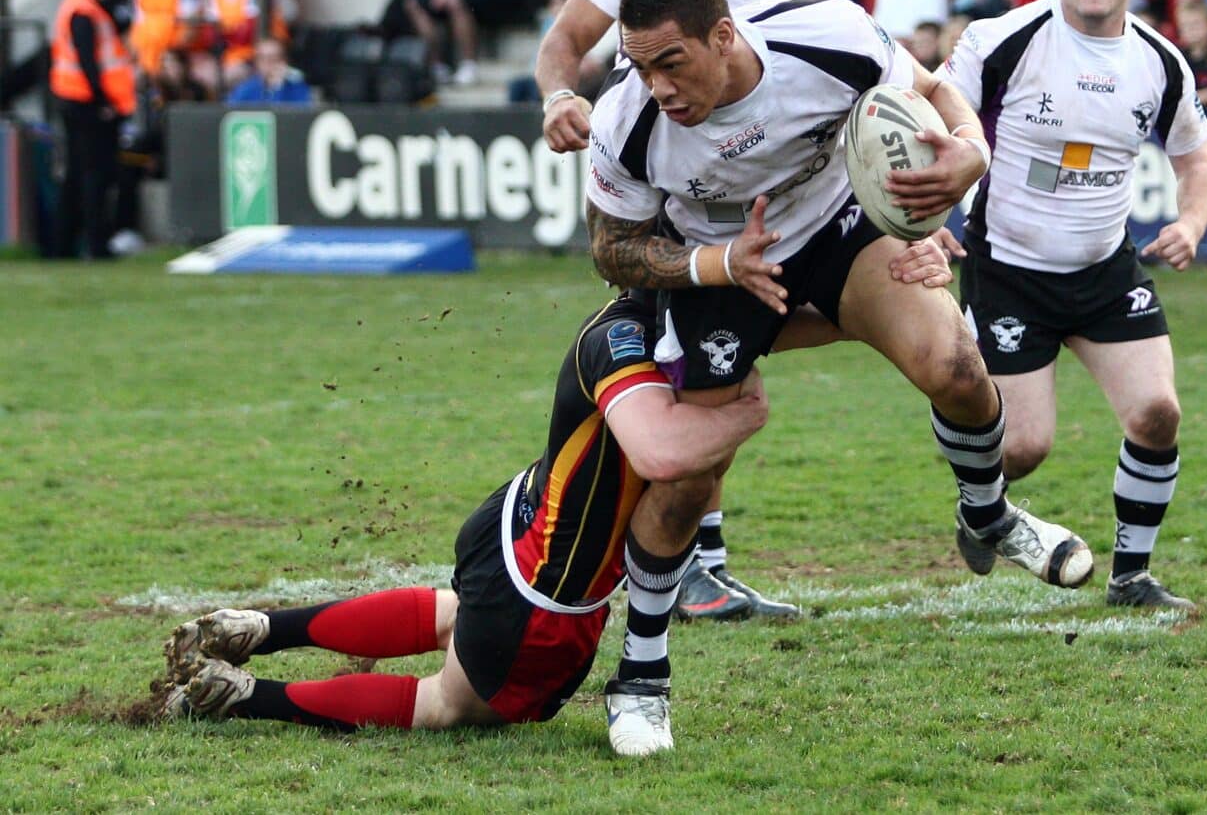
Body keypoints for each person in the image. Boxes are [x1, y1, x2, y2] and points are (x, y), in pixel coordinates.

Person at [584, 0, 1095, 614]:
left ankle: (988, 514)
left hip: (838, 227)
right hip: (718, 265)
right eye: (642, 66)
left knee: (959, 369)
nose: (658, 86)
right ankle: (677, 597)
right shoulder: (625, 122)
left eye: (672, 63)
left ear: (723, 35)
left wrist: (971, 149)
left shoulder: (828, 36)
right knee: (689, 472)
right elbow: (610, 248)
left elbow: (935, 93)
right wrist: (718, 266)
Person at [157, 294, 775, 757]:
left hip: (512, 525)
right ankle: (241, 696)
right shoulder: (628, 345)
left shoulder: (629, 316)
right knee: (445, 704)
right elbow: (663, 456)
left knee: (456, 616)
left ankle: (260, 629)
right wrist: (748, 416)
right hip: (546, 592)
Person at [535, 0, 844, 619]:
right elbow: (566, 39)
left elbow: (838, 87)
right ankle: (678, 565)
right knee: (700, 369)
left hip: (771, 202)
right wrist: (560, 96)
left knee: (733, 361)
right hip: (661, 194)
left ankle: (687, 562)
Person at [909, 0, 1207, 609]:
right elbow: (923, 112)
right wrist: (920, 220)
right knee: (1021, 449)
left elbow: (1196, 157)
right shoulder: (1005, 38)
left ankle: (1132, 576)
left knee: (1157, 413)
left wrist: (1193, 222)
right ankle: (979, 503)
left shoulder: (1159, 61)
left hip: (1106, 271)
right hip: (1010, 271)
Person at [49, 0, 137, 260]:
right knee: (93, 176)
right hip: (86, 105)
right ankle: (96, 244)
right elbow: (88, 61)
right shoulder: (83, 10)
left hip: (78, 101)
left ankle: (63, 246)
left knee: (77, 175)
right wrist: (104, 102)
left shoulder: (91, 7)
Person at [225, 38, 313, 104]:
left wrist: (278, 88)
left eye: (274, 58)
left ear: (284, 61)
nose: (268, 63)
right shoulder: (247, 88)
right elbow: (230, 109)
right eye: (263, 58)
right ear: (256, 62)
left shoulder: (297, 87)